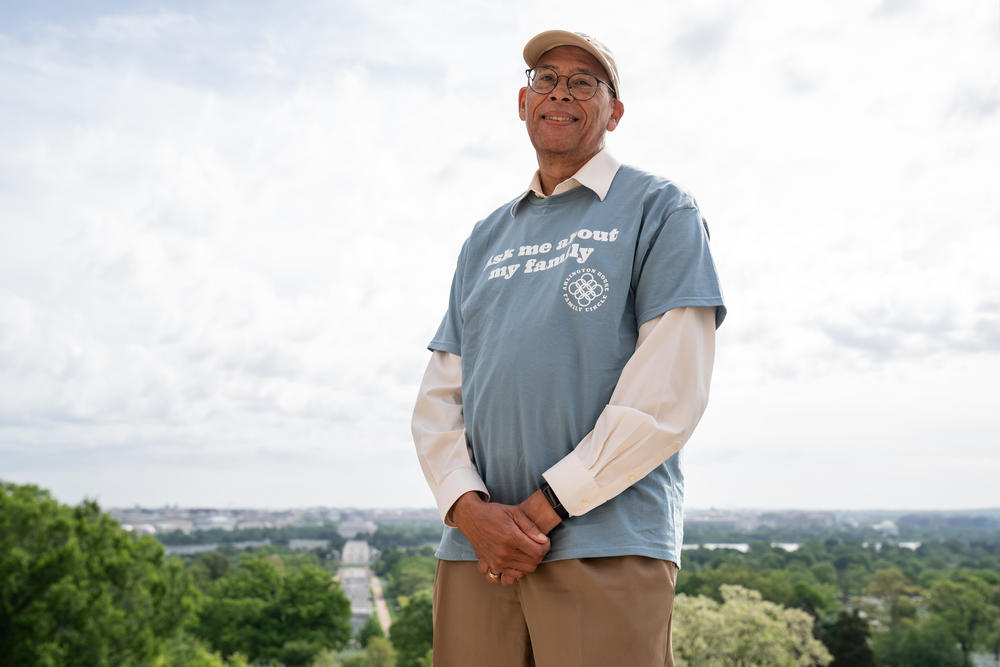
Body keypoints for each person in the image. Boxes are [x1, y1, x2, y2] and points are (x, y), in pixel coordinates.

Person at [412, 29, 726, 667]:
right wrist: (471, 514)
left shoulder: (661, 210)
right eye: (545, 79)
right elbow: (442, 393)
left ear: (613, 112)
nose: (561, 92)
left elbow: (669, 390)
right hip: (478, 554)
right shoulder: (485, 237)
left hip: (605, 545)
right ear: (523, 103)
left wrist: (542, 509)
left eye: (584, 82)